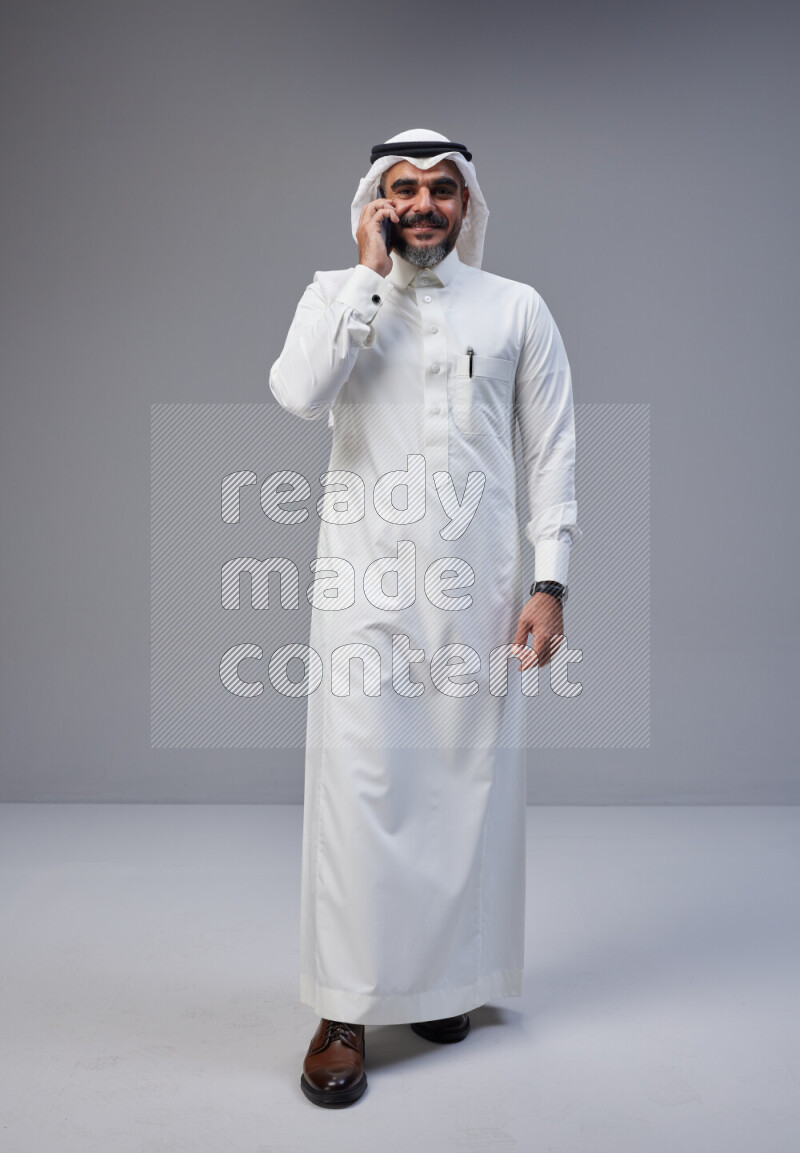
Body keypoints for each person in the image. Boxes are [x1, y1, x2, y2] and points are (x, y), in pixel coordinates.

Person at [268, 127, 582, 1108]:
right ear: (373, 201)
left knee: (465, 794)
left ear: (467, 204)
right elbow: (297, 393)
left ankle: (446, 985)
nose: (421, 206)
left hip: (482, 594)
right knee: (359, 800)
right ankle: (342, 1012)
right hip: (363, 592)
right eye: (400, 189)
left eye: (440, 190)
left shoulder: (515, 307)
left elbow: (552, 453)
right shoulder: (334, 295)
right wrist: (365, 280)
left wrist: (550, 582)